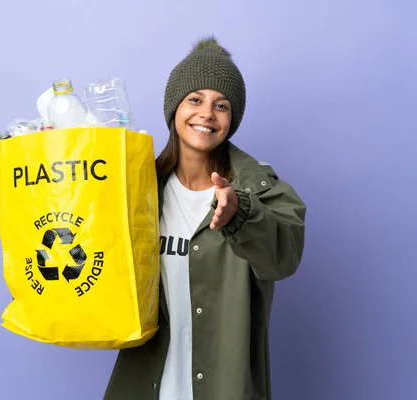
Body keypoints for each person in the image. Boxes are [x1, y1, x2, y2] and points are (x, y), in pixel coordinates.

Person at [104, 36, 307, 400]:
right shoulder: (138, 189)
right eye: (195, 99)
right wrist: (68, 173)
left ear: (233, 118)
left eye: (222, 105)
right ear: (174, 108)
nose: (206, 114)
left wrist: (240, 216)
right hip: (145, 384)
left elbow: (284, 256)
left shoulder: (261, 190)